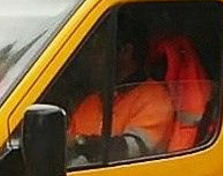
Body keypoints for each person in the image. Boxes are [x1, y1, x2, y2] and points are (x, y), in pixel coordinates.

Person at [66, 15, 176, 165]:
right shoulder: (90, 102)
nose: (92, 57)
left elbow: (134, 149)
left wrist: (82, 143)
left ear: (125, 51)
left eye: (99, 49)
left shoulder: (155, 98)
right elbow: (66, 152)